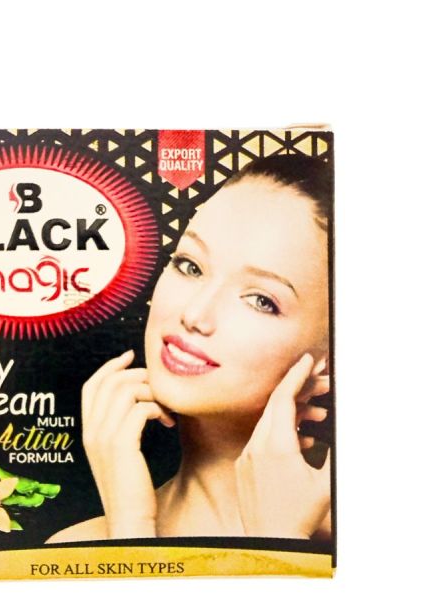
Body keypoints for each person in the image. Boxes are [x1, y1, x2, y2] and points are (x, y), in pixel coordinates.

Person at [48, 155, 332, 542]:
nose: (195, 315)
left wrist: (280, 539)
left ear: (331, 354)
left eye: (261, 300)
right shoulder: (79, 544)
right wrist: (132, 523)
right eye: (190, 266)